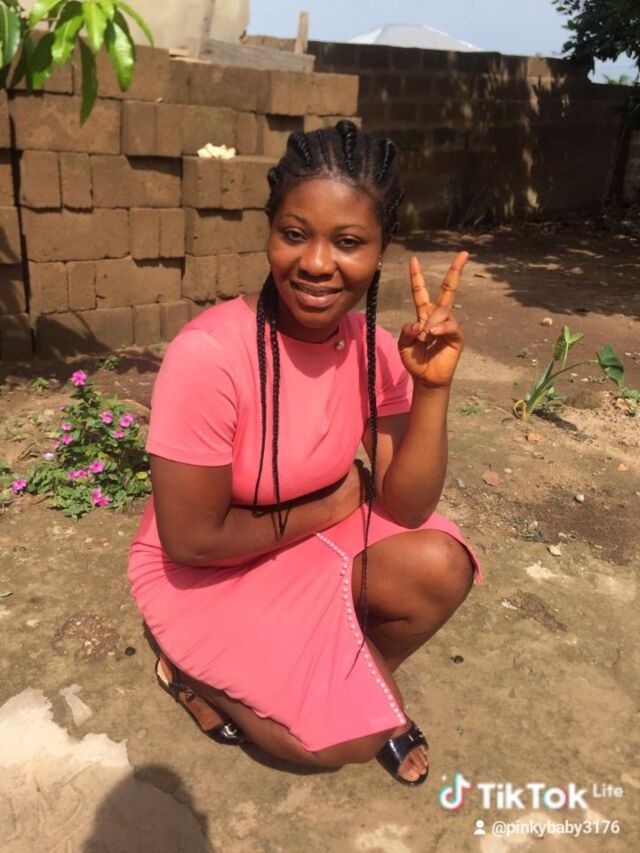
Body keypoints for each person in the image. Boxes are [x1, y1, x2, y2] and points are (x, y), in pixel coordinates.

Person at [127, 120, 483, 787]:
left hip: (303, 542)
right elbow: (192, 541)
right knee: (345, 739)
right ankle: (196, 673)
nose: (317, 263)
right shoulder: (210, 355)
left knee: (440, 565)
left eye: (348, 242)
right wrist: (336, 502)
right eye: (295, 234)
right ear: (270, 233)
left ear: (379, 250)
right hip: (208, 567)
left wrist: (432, 389)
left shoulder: (374, 349)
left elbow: (407, 508)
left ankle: (346, 676)